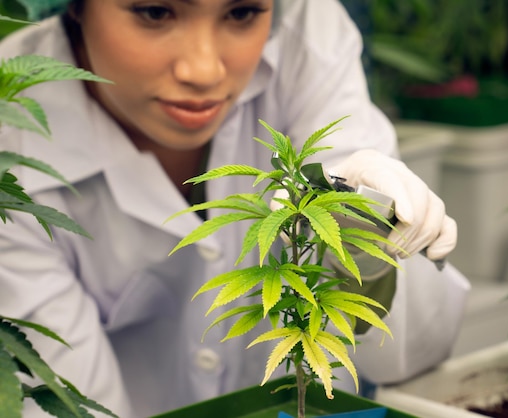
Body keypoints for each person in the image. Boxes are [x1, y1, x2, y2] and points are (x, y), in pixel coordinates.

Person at [0, 0, 470, 416]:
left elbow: (409, 353)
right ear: (75, 6)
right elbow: (65, 403)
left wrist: (367, 244)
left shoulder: (305, 34)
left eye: (242, 12)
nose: (203, 70)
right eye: (155, 12)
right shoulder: (11, 121)